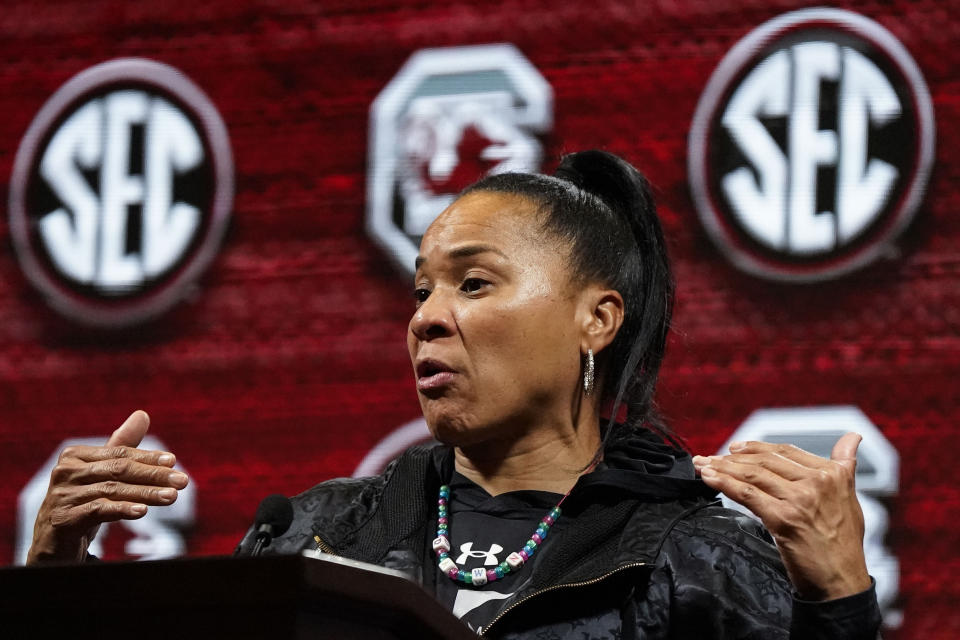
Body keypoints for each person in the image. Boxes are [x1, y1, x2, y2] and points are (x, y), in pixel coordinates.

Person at [27, 150, 881, 638]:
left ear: (597, 319)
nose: (429, 318)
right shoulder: (315, 537)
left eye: (474, 284)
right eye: (420, 292)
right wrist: (55, 576)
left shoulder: (703, 560)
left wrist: (840, 599)